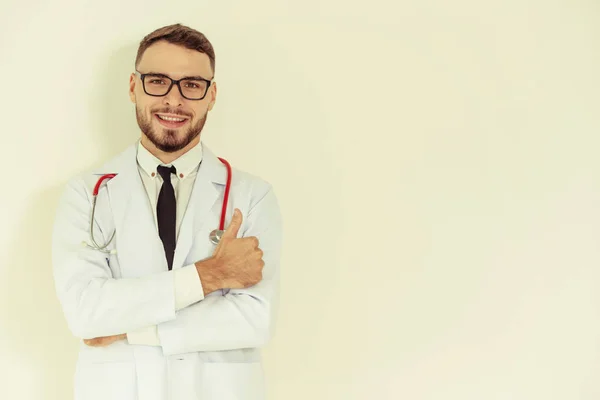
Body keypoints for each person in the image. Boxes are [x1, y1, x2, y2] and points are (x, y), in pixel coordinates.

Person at [51, 23, 283, 400]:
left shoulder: (252, 196)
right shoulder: (87, 194)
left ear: (211, 96)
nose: (173, 100)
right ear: (133, 87)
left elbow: (254, 320)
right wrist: (211, 275)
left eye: (191, 84)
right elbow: (85, 313)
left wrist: (130, 329)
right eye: (158, 81)